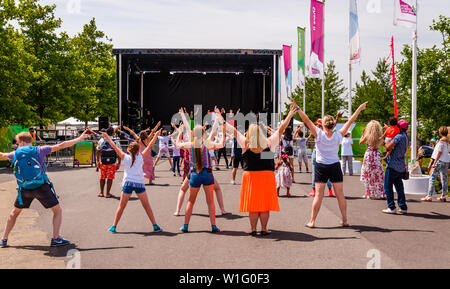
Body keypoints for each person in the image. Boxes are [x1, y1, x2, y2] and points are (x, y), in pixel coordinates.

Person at [0, 130, 89, 247]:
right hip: (41, 187)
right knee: (57, 211)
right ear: (30, 140)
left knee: (15, 213)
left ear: (20, 142)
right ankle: (56, 238)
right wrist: (79, 138)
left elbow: (2, 155)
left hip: (24, 188)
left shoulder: (15, 153)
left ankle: (4, 239)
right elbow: (61, 145)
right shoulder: (39, 150)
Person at [227, 101, 298, 236]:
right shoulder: (269, 143)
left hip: (251, 177)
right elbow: (282, 128)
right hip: (266, 177)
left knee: (253, 205)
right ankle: (264, 229)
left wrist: (223, 119)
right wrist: (289, 115)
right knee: (264, 205)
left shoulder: (245, 144)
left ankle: (253, 229)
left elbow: (234, 131)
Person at [297, 102, 368, 228]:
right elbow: (351, 120)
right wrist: (359, 108)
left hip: (321, 166)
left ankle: (312, 221)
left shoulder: (318, 134)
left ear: (323, 125)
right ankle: (345, 220)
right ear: (333, 125)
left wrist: (297, 108)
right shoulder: (338, 135)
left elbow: (306, 119)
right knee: (340, 195)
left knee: (319, 195)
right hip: (334, 165)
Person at [102, 130, 163, 234]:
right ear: (138, 150)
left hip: (128, 183)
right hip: (139, 183)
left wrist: (107, 137)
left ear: (128, 150)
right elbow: (150, 145)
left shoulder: (125, 157)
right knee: (147, 206)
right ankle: (155, 225)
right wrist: (156, 135)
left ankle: (114, 226)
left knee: (121, 206)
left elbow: (114, 146)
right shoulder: (141, 156)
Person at [176, 107, 226, 233]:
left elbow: (178, 144)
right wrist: (223, 132)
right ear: (203, 134)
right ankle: (213, 225)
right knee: (210, 202)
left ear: (193, 135)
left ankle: (185, 226)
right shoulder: (207, 144)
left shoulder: (190, 145)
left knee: (190, 202)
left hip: (195, 174)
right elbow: (221, 144)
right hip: (207, 174)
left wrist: (180, 132)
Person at [382, 120, 409, 214]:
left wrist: (384, 143)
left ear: (400, 127)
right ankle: (403, 207)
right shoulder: (406, 137)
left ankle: (391, 207)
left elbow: (388, 147)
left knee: (387, 186)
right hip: (401, 166)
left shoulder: (398, 137)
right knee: (399, 187)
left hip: (393, 165)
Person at [359, 121, 386, 200]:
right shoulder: (379, 136)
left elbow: (360, 142)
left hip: (369, 155)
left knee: (368, 174)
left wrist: (363, 134)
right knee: (377, 173)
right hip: (377, 155)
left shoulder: (367, 135)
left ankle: (368, 193)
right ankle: (380, 192)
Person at [421, 126, 449, 202]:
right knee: (444, 179)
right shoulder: (447, 142)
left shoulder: (441, 142)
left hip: (439, 161)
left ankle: (429, 196)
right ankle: (443, 195)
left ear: (440, 132)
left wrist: (434, 162)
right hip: (446, 161)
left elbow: (439, 152)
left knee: (432, 178)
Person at [95, 127, 122, 198]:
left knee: (102, 177)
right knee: (110, 178)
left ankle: (101, 192)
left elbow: (97, 151)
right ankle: (107, 193)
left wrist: (98, 161)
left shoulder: (102, 140)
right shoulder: (115, 141)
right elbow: (119, 152)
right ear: (113, 133)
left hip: (103, 162)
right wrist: (119, 163)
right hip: (112, 163)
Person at [310, 119, 333, 198]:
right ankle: (330, 190)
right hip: (326, 154)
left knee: (315, 172)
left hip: (317, 153)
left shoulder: (317, 133)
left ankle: (314, 191)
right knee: (328, 173)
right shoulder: (327, 133)